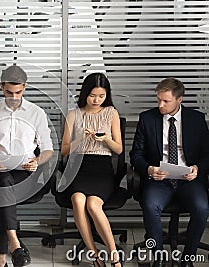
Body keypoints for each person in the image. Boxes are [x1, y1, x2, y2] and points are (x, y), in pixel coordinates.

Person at [0, 65, 54, 267]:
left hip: (25, 174)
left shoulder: (36, 113)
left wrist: (37, 161)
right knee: (3, 181)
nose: (14, 97)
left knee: (4, 187)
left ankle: (0, 258)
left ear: (25, 87)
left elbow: (48, 150)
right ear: (2, 87)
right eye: (9, 92)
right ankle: (14, 244)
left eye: (18, 92)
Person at [130, 77, 209, 267]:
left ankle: (188, 257)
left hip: (188, 180)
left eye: (166, 101)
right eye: (158, 100)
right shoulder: (147, 119)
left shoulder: (196, 119)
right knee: (150, 205)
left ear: (179, 99)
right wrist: (149, 169)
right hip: (159, 179)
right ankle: (158, 258)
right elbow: (136, 155)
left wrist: (197, 169)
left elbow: (207, 154)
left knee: (202, 208)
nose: (160, 105)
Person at [60, 73, 123, 267]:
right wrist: (81, 139)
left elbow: (119, 149)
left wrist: (105, 139)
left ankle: (114, 256)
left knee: (93, 205)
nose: (96, 100)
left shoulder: (111, 113)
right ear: (85, 93)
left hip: (102, 168)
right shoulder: (73, 114)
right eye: (92, 95)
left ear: (107, 95)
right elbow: (64, 151)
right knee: (78, 200)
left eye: (101, 96)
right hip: (78, 166)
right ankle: (95, 255)